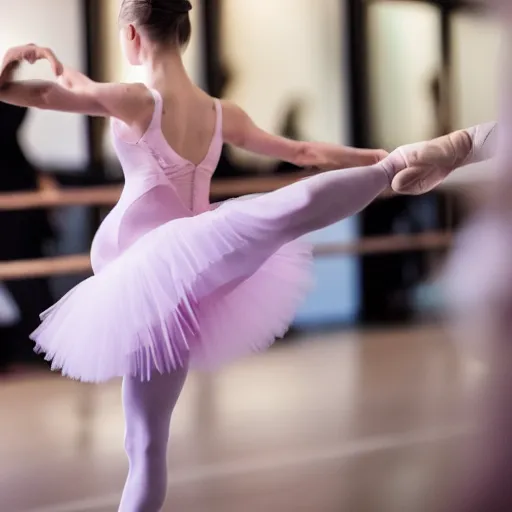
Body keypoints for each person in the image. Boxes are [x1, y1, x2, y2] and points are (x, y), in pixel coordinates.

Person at [0, 1, 414, 509]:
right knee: (148, 443)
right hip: (188, 279)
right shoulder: (221, 113)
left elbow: (42, 93)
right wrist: (378, 159)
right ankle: (387, 168)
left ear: (130, 35)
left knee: (144, 446)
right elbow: (304, 153)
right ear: (186, 31)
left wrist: (13, 63)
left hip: (143, 275)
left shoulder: (136, 99)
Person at [0, 101, 57, 373]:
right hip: (15, 214)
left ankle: (45, 348)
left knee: (31, 283)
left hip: (18, 217)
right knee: (28, 283)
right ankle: (41, 347)